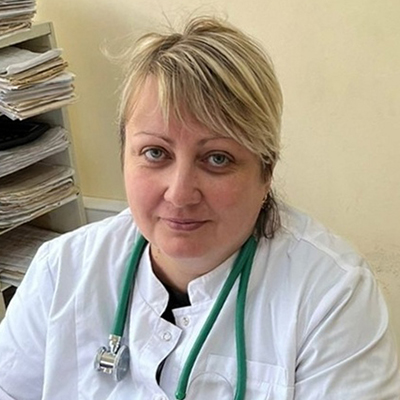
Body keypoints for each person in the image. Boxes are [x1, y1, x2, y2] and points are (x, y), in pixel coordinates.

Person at [0, 15, 399, 400]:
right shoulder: (61, 271)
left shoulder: (331, 295)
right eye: (155, 152)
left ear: (266, 172)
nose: (179, 194)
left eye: (218, 159)